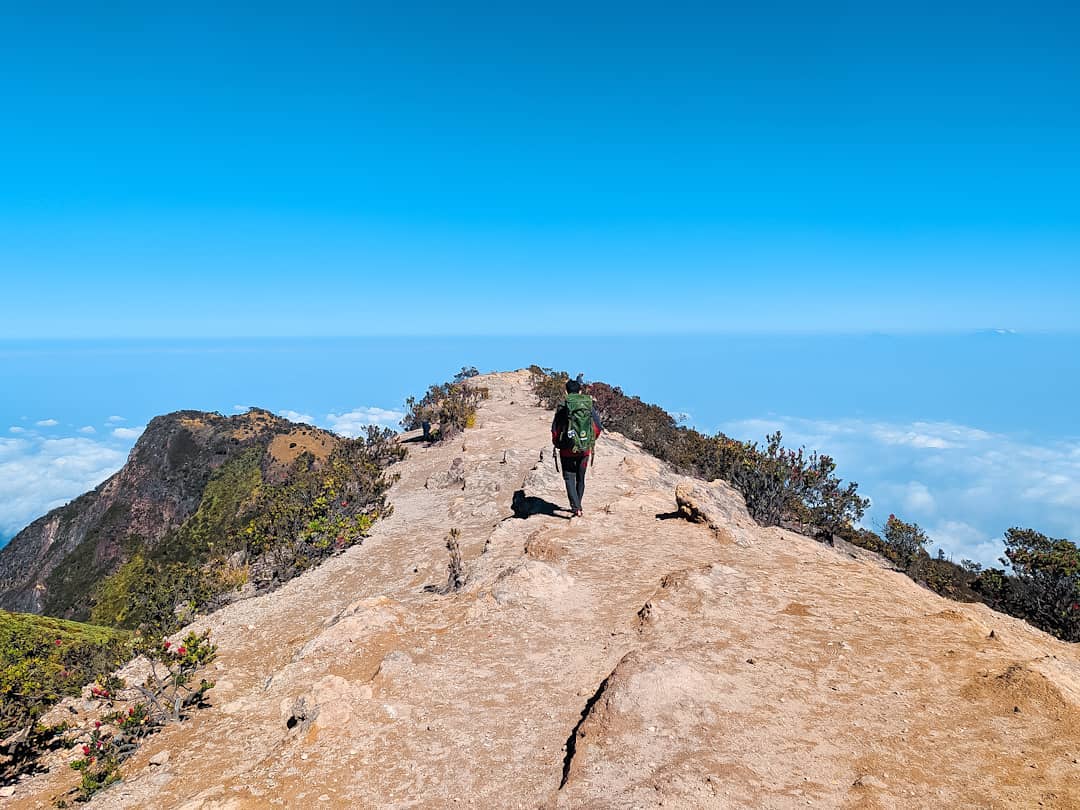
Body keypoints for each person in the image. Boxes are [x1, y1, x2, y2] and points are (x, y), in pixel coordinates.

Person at [551, 378, 603, 518]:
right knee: (581, 478)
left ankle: (576, 507)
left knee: (569, 478)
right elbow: (598, 427)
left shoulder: (563, 407)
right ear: (580, 391)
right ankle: (578, 505)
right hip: (584, 450)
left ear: (566, 392)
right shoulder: (588, 405)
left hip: (566, 450)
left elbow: (555, 429)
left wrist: (557, 444)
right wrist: (589, 441)